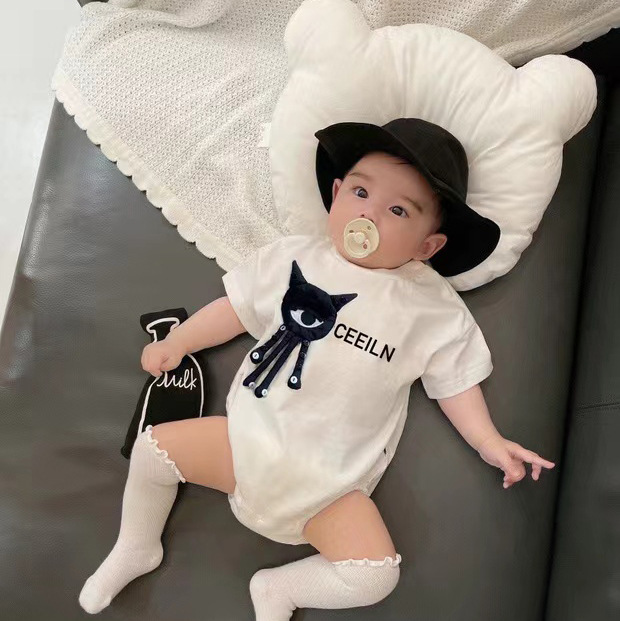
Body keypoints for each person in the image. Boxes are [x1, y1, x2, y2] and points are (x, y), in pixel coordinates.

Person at [78, 118, 556, 618]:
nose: (368, 214)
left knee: (375, 576)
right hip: (244, 444)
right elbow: (235, 309)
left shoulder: (431, 308)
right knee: (153, 451)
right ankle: (137, 544)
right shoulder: (295, 258)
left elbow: (455, 383)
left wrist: (488, 441)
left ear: (427, 246)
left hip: (331, 486)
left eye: (397, 210)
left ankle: (281, 588)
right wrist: (180, 341)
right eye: (360, 193)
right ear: (335, 194)